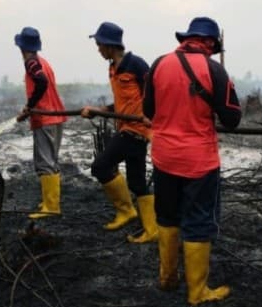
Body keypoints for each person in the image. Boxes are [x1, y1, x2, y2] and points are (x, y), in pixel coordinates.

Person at [143, 16, 241, 306]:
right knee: (198, 221)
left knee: (168, 215)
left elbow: (149, 108)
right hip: (199, 160)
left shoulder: (159, 64)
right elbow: (233, 119)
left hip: (164, 156)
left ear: (187, 38)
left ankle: (167, 278)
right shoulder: (214, 70)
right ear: (210, 43)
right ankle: (197, 292)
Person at [81, 22, 158, 243]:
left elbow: (153, 95)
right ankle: (151, 229)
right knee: (137, 182)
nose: (98, 50)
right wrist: (100, 111)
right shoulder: (114, 69)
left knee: (100, 166)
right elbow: (123, 105)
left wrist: (151, 117)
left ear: (109, 45)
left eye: (99, 45)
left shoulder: (137, 65)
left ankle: (127, 211)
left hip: (136, 130)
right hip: (126, 127)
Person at [13, 27, 68, 219]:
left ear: (22, 47)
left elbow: (41, 82)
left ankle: (51, 207)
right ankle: (48, 201)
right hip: (55, 117)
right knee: (50, 160)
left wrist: (29, 106)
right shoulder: (43, 62)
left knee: (45, 162)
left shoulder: (31, 62)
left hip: (45, 119)